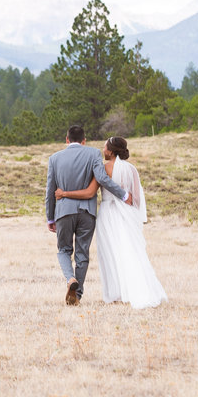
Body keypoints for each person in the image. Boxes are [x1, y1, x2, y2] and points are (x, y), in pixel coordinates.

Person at [56, 136, 167, 309]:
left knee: (110, 253)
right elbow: (135, 199)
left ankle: (116, 293)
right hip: (127, 214)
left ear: (111, 150)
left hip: (108, 214)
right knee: (130, 251)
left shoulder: (104, 168)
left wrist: (64, 194)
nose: (103, 150)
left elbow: (89, 192)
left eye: (105, 147)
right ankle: (138, 290)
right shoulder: (131, 170)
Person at [45, 125, 131, 305]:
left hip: (64, 211)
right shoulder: (93, 154)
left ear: (67, 139)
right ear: (84, 141)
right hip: (87, 213)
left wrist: (50, 217)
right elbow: (102, 178)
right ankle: (77, 294)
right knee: (82, 254)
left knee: (64, 250)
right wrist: (122, 194)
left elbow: (50, 190)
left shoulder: (54, 159)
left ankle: (70, 279)